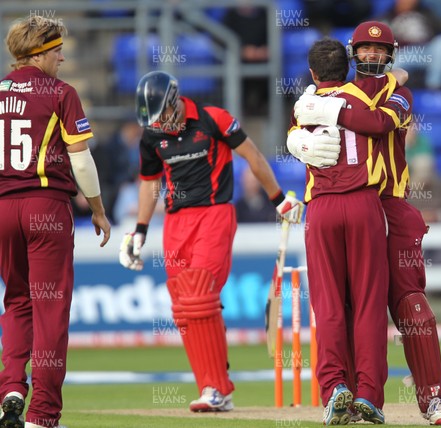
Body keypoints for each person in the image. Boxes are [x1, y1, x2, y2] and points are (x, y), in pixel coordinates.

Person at [291, 20, 441, 426]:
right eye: (364, 50)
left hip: (389, 206)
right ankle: (349, 396)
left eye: (378, 52)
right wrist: (295, 137)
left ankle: (433, 400)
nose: (371, 57)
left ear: (390, 55)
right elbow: (309, 121)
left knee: (411, 305)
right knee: (347, 306)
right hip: (358, 204)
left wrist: (321, 109)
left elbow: (379, 122)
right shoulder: (335, 92)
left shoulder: (396, 92)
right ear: (352, 55)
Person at [118, 71, 303, 413]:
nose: (162, 125)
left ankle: (216, 387)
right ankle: (212, 386)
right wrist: (140, 230)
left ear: (175, 101)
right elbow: (149, 183)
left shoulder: (211, 118)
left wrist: (278, 199)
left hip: (214, 214)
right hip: (175, 222)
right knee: (185, 307)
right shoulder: (151, 137)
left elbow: (253, 156)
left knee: (201, 292)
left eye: (164, 115)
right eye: (154, 120)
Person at [0, 15, 111, 428]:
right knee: (50, 309)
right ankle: (42, 415)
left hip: (3, 208)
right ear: (39, 52)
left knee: (15, 302)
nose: (63, 57)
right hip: (46, 206)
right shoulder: (61, 93)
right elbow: (80, 159)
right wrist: (97, 209)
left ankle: (11, 387)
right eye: (56, 50)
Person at [287, 37, 395, 425]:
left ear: (313, 72)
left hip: (322, 208)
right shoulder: (365, 99)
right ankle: (368, 393)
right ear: (348, 68)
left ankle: (334, 388)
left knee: (329, 304)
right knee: (368, 304)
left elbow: (297, 138)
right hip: (364, 203)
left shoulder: (304, 106)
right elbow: (384, 124)